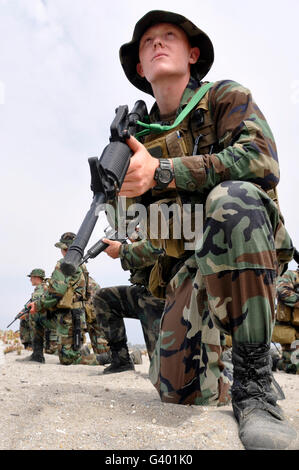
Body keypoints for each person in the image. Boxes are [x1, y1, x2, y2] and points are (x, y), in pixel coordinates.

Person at [116, 10, 297, 449]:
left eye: (169, 36)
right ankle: (227, 368)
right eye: (148, 42)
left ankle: (254, 383)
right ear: (140, 67)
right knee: (180, 395)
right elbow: (141, 234)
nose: (158, 43)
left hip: (245, 253)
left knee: (231, 197)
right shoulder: (135, 140)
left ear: (192, 53)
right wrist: (120, 199)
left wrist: (162, 172)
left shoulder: (224, 98)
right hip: (189, 274)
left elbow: (261, 160)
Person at [93, 238, 165, 374]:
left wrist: (122, 250)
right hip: (146, 292)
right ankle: (121, 360)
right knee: (103, 298)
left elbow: (160, 248)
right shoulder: (147, 227)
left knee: (163, 374)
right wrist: (136, 240)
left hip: (165, 295)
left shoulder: (168, 222)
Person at [28, 233, 101, 366]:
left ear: (64, 249)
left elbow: (56, 292)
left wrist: (37, 305)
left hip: (69, 315)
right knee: (69, 353)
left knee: (68, 359)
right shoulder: (81, 264)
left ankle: (111, 359)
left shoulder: (64, 263)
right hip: (77, 313)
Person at [272, 249, 299, 374]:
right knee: (294, 367)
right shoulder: (291, 275)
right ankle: (275, 362)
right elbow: (282, 291)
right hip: (291, 330)